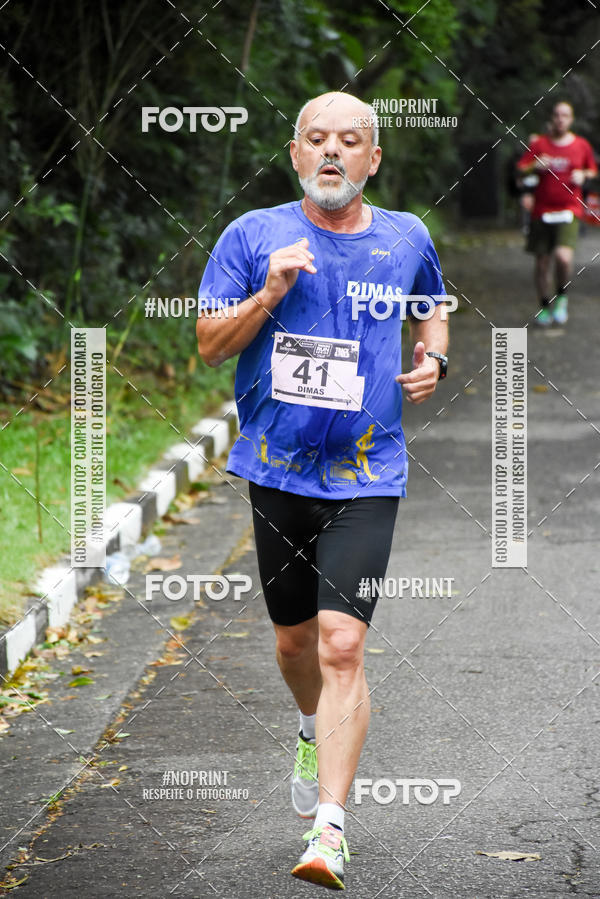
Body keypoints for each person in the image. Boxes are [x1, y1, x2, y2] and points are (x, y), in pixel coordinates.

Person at [196, 91, 449, 891]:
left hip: (369, 472)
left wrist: (434, 358)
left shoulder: (406, 236)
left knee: (343, 643)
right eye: (316, 138)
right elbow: (209, 345)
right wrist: (268, 293)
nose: (331, 151)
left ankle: (329, 827)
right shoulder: (252, 235)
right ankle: (310, 727)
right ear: (296, 153)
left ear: (374, 158)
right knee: (294, 643)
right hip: (277, 469)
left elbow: (432, 307)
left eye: (349, 140)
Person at [517, 101, 597, 326]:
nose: (560, 119)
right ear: (552, 118)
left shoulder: (581, 145)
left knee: (563, 257)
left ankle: (561, 296)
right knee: (542, 262)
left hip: (569, 209)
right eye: (557, 115)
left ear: (571, 119)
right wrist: (535, 166)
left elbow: (592, 169)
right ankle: (544, 305)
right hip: (542, 211)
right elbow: (521, 169)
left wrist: (584, 175)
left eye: (565, 115)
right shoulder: (540, 144)